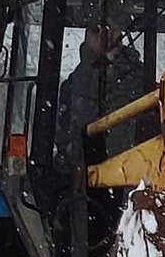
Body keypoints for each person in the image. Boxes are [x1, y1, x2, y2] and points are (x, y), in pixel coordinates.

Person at [58, 24, 154, 161]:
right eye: (96, 29)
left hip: (137, 170)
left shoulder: (144, 81)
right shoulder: (71, 87)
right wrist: (94, 63)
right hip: (82, 173)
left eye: (111, 28)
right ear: (86, 37)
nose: (104, 35)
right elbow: (65, 142)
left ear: (121, 33)